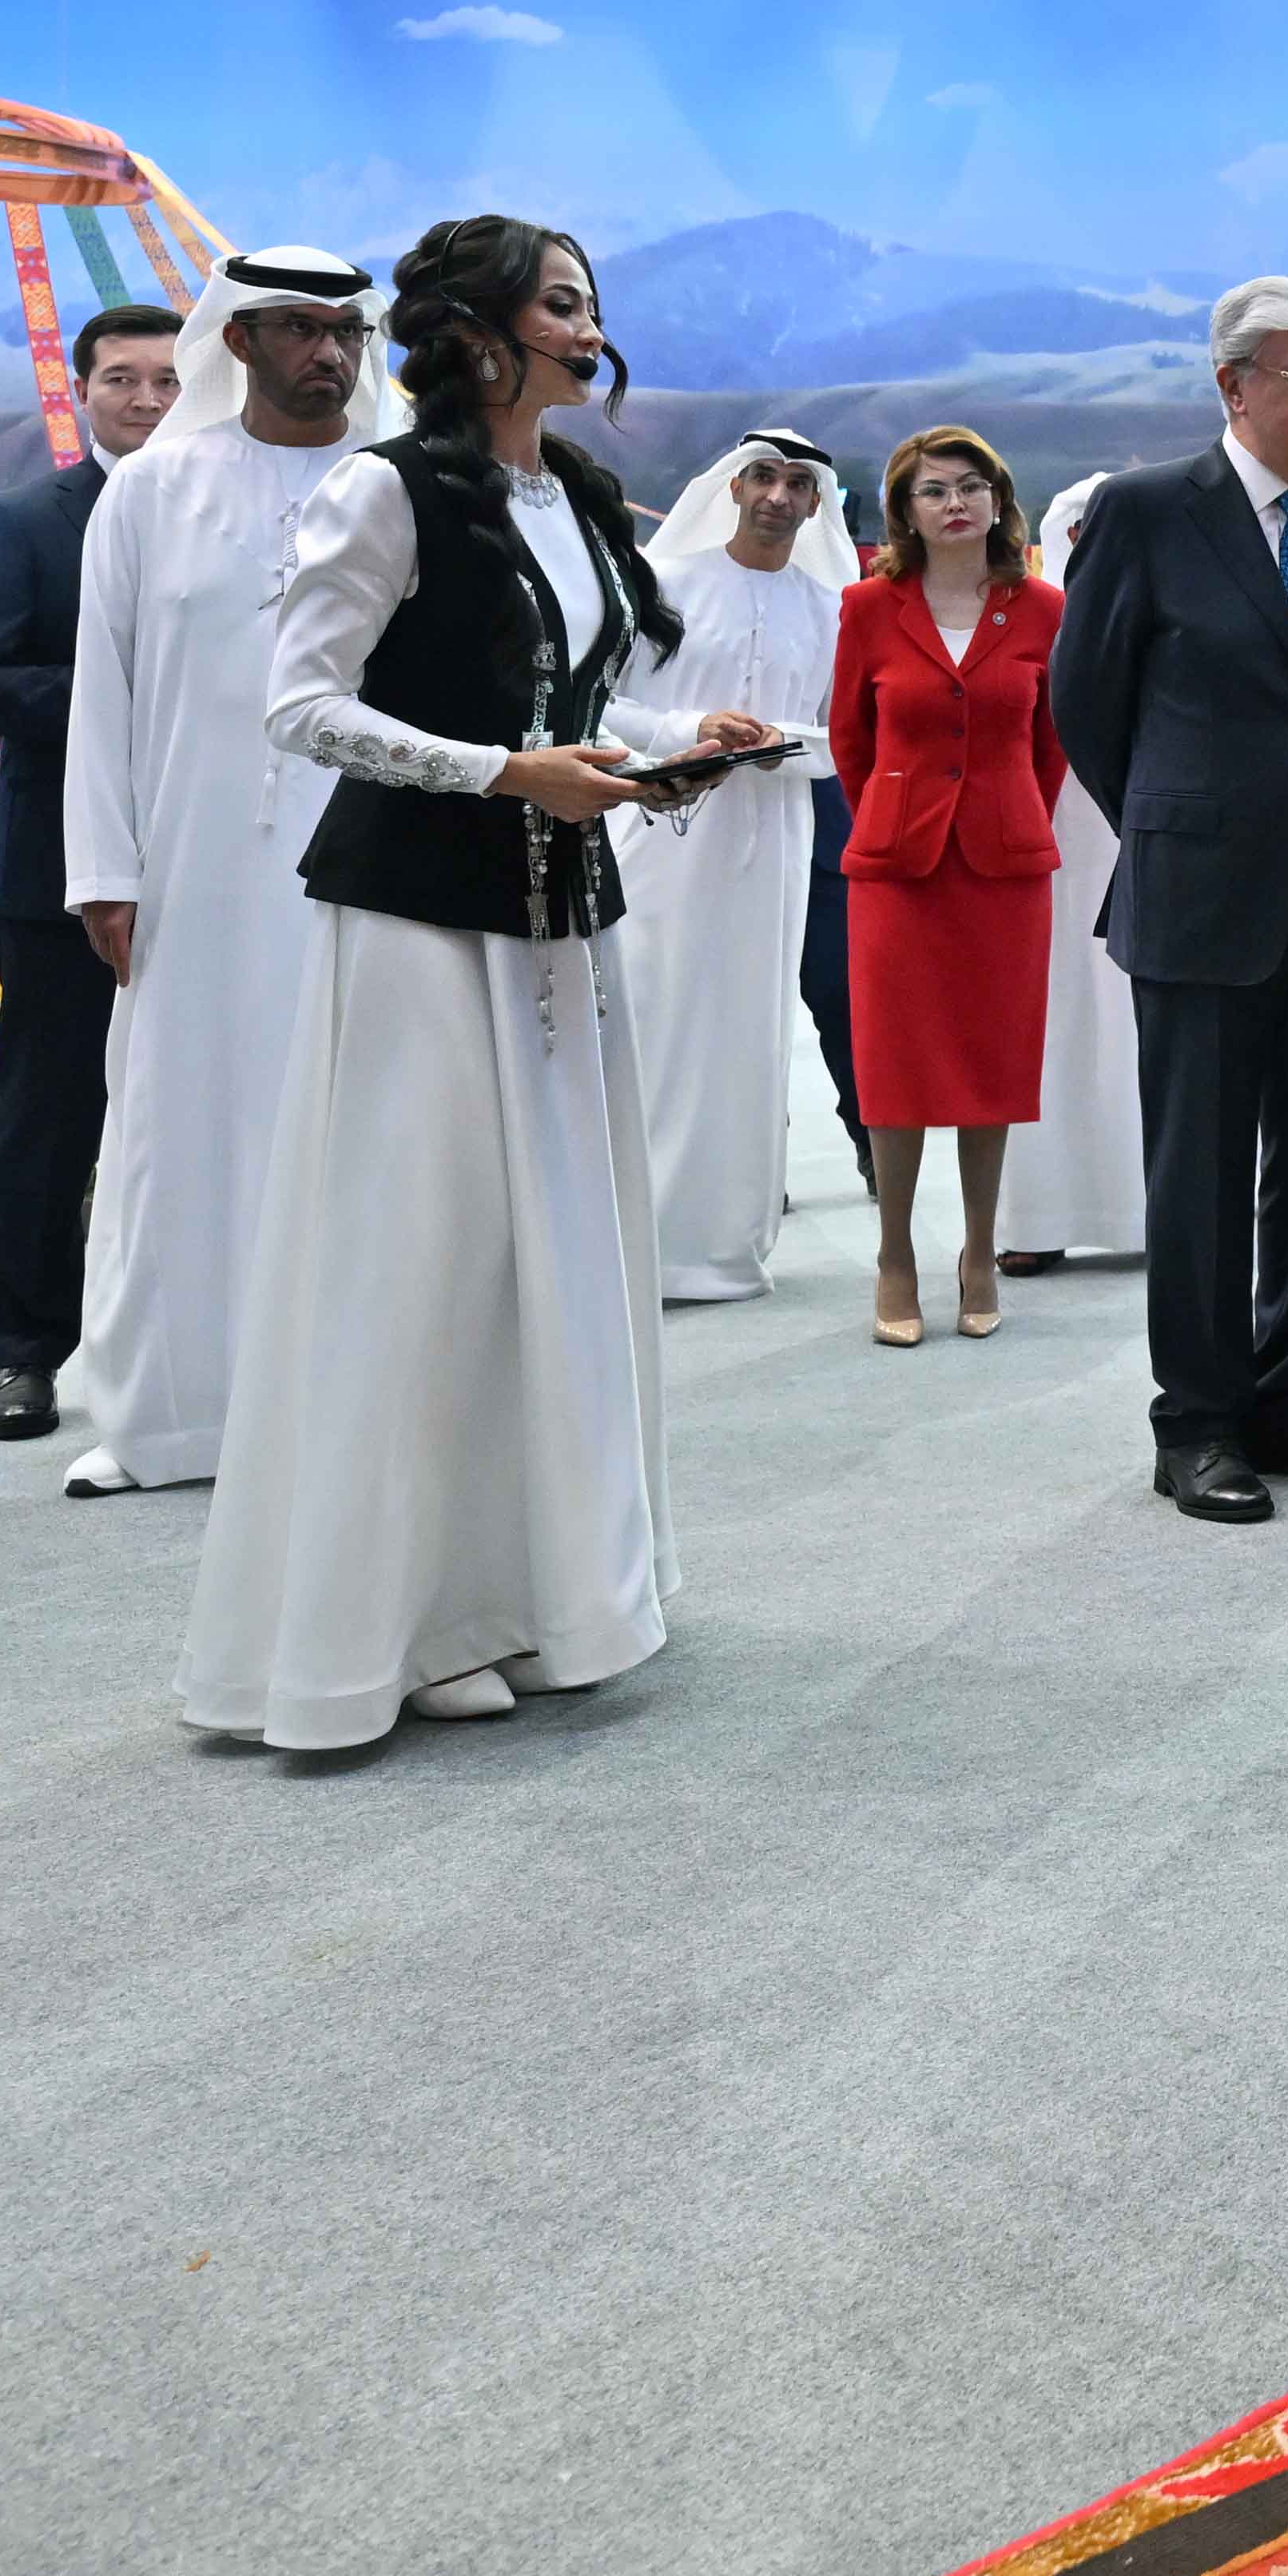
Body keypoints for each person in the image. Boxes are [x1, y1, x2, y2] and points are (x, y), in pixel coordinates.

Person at [177, 215, 777, 1747]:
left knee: (551, 1259)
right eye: (562, 302)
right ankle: (403, 1618)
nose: (591, 325)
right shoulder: (384, 488)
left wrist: (674, 742)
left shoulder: (579, 493)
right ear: (477, 331)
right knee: (422, 1264)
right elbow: (302, 707)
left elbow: (572, 699)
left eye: (591, 300)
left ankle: (533, 1587)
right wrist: (506, 773)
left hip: (562, 924)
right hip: (419, 928)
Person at [1044, 281, 1288, 1524]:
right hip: (1201, 896)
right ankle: (1196, 1423)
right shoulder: (1147, 511)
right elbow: (1087, 701)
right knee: (1199, 1173)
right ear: (1233, 385)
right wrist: (1183, 821)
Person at [56, 249, 391, 1499]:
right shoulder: (154, 486)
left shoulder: (401, 482)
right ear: (238, 341)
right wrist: (106, 867)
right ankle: (169, 1418)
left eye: (346, 331)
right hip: (192, 866)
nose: (329, 354)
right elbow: (104, 687)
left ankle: (346, 1414)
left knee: (358, 1129)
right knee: (177, 1127)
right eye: (299, 329)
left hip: (372, 863)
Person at [0, 299, 188, 1442]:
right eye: (121, 378)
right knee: (50, 1113)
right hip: (62, 873)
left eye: (169, 380)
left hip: (219, 859)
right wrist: (132, 692)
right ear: (81, 393)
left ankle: (205, 1337)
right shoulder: (21, 519)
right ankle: (24, 1353)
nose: (146, 399)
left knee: (216, 1105)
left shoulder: (236, 517)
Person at [836, 424, 1067, 1344]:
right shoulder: (868, 605)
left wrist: (1006, 808)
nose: (955, 502)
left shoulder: (1041, 607)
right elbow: (851, 740)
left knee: (989, 1059)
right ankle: (895, 1254)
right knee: (893, 1063)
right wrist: (898, 810)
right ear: (905, 511)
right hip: (897, 869)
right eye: (933, 490)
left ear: (1000, 500)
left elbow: (1051, 744)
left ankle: (978, 1253)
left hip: (1005, 870)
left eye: (971, 485)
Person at [619, 429, 848, 1306]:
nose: (778, 496)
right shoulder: (663, 585)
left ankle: (721, 1247)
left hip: (772, 838)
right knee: (655, 1015)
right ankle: (636, 1245)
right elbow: (606, 704)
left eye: (797, 484)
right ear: (734, 487)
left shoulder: (830, 611)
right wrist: (692, 730)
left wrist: (777, 741)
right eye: (763, 477)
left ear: (816, 504)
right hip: (663, 830)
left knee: (748, 1030)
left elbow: (847, 739)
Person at [1000, 471, 1151, 1272]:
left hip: (1147, 844)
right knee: (1046, 1022)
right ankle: (1037, 1217)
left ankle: (1151, 1213)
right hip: (1045, 849)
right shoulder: (1027, 619)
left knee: (1143, 1025)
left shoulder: (1173, 614)